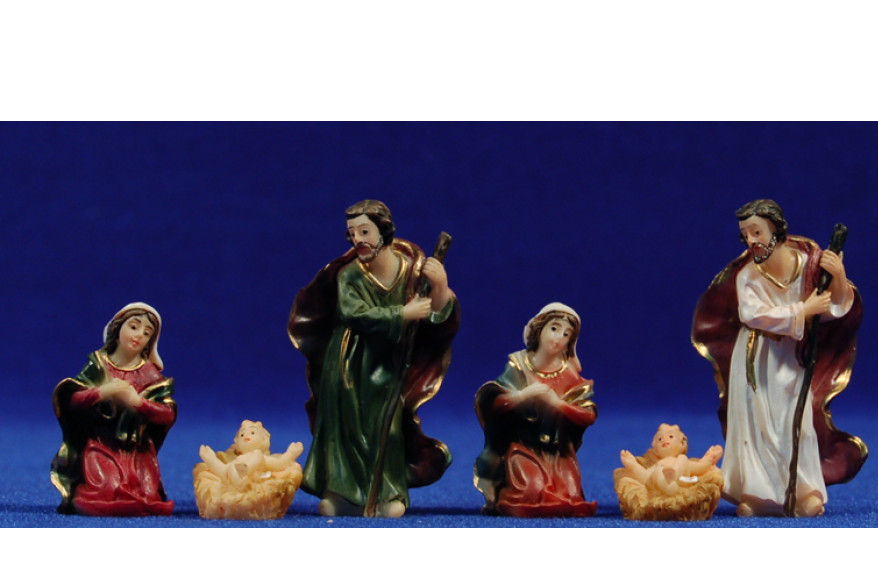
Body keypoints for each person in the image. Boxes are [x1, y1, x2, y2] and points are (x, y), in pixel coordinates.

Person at [692, 199, 865, 517]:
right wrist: (803, 310)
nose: (751, 240)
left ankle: (803, 492)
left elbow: (834, 308)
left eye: (756, 232)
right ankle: (756, 495)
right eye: (746, 234)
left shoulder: (809, 265)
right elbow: (752, 315)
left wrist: (838, 275)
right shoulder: (748, 275)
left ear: (776, 230)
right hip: (757, 357)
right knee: (758, 426)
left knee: (797, 423)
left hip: (791, 356)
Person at [288, 199, 458, 518]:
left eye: (364, 231)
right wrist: (401, 314)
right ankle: (343, 493)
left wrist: (440, 286)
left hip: (388, 365)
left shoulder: (411, 271)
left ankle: (387, 493)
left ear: (384, 230)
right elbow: (353, 314)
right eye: (352, 233)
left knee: (388, 428)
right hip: (350, 364)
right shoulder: (350, 275)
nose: (358, 239)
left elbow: (435, 316)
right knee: (348, 429)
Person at [51, 302, 176, 516]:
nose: (139, 335)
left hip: (137, 450)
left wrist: (138, 403)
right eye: (134, 327)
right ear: (117, 329)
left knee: (147, 493)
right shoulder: (99, 366)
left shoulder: (150, 374)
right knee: (107, 488)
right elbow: (72, 400)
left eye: (147, 333)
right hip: (101, 445)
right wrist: (102, 392)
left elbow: (167, 415)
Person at [474, 303, 597, 517]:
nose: (558, 338)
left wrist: (558, 404)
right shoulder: (519, 366)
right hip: (523, 446)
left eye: (566, 334)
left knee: (571, 495)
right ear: (540, 330)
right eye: (554, 328)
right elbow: (493, 402)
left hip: (558, 452)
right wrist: (522, 395)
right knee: (530, 490)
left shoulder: (569, 375)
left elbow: (589, 415)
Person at [194, 420, 304, 520]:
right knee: (229, 467)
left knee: (256, 456)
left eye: (252, 433)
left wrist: (291, 453)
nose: (246, 435)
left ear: (263, 440)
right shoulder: (236, 460)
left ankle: (241, 478)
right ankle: (238, 479)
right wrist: (210, 459)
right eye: (242, 434)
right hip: (234, 474)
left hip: (251, 476)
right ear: (237, 443)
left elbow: (279, 464)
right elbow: (223, 470)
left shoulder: (261, 457)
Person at [613, 423, 724, 521]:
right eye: (660, 439)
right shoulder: (658, 465)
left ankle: (672, 476)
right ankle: (668, 482)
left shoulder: (683, 461)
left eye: (670, 436)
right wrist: (632, 465)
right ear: (655, 449)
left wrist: (710, 457)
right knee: (657, 472)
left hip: (681, 481)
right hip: (662, 484)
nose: (665, 439)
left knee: (682, 459)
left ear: (682, 444)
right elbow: (645, 477)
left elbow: (700, 466)